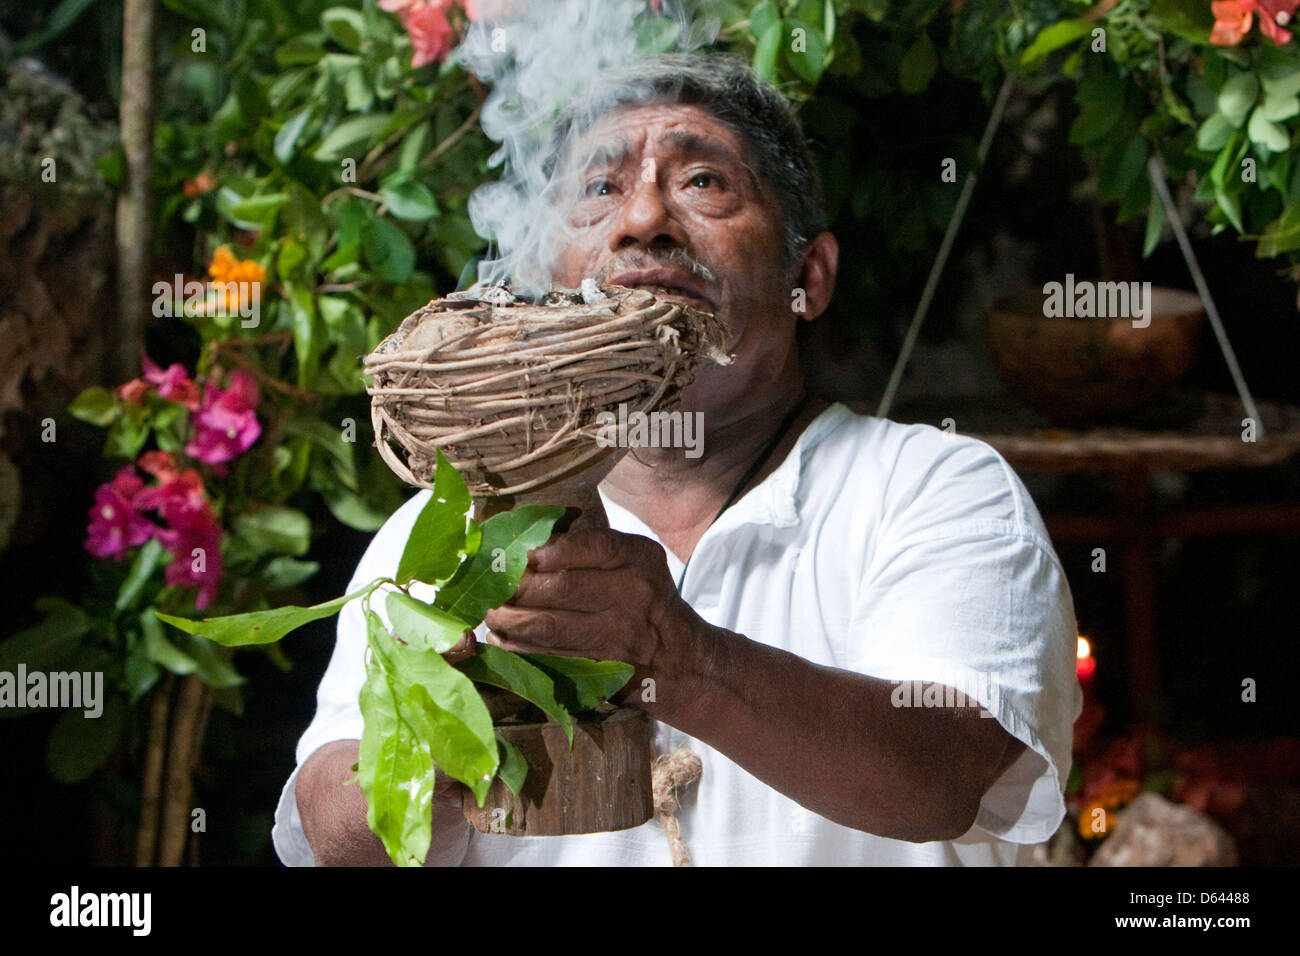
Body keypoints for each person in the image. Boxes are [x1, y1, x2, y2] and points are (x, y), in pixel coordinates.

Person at [274, 52, 1081, 866]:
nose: (642, 221)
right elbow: (332, 836)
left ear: (810, 274)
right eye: (600, 189)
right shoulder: (446, 524)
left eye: (702, 181)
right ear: (548, 281)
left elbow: (953, 774)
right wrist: (436, 736)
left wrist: (680, 656)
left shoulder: (934, 489)